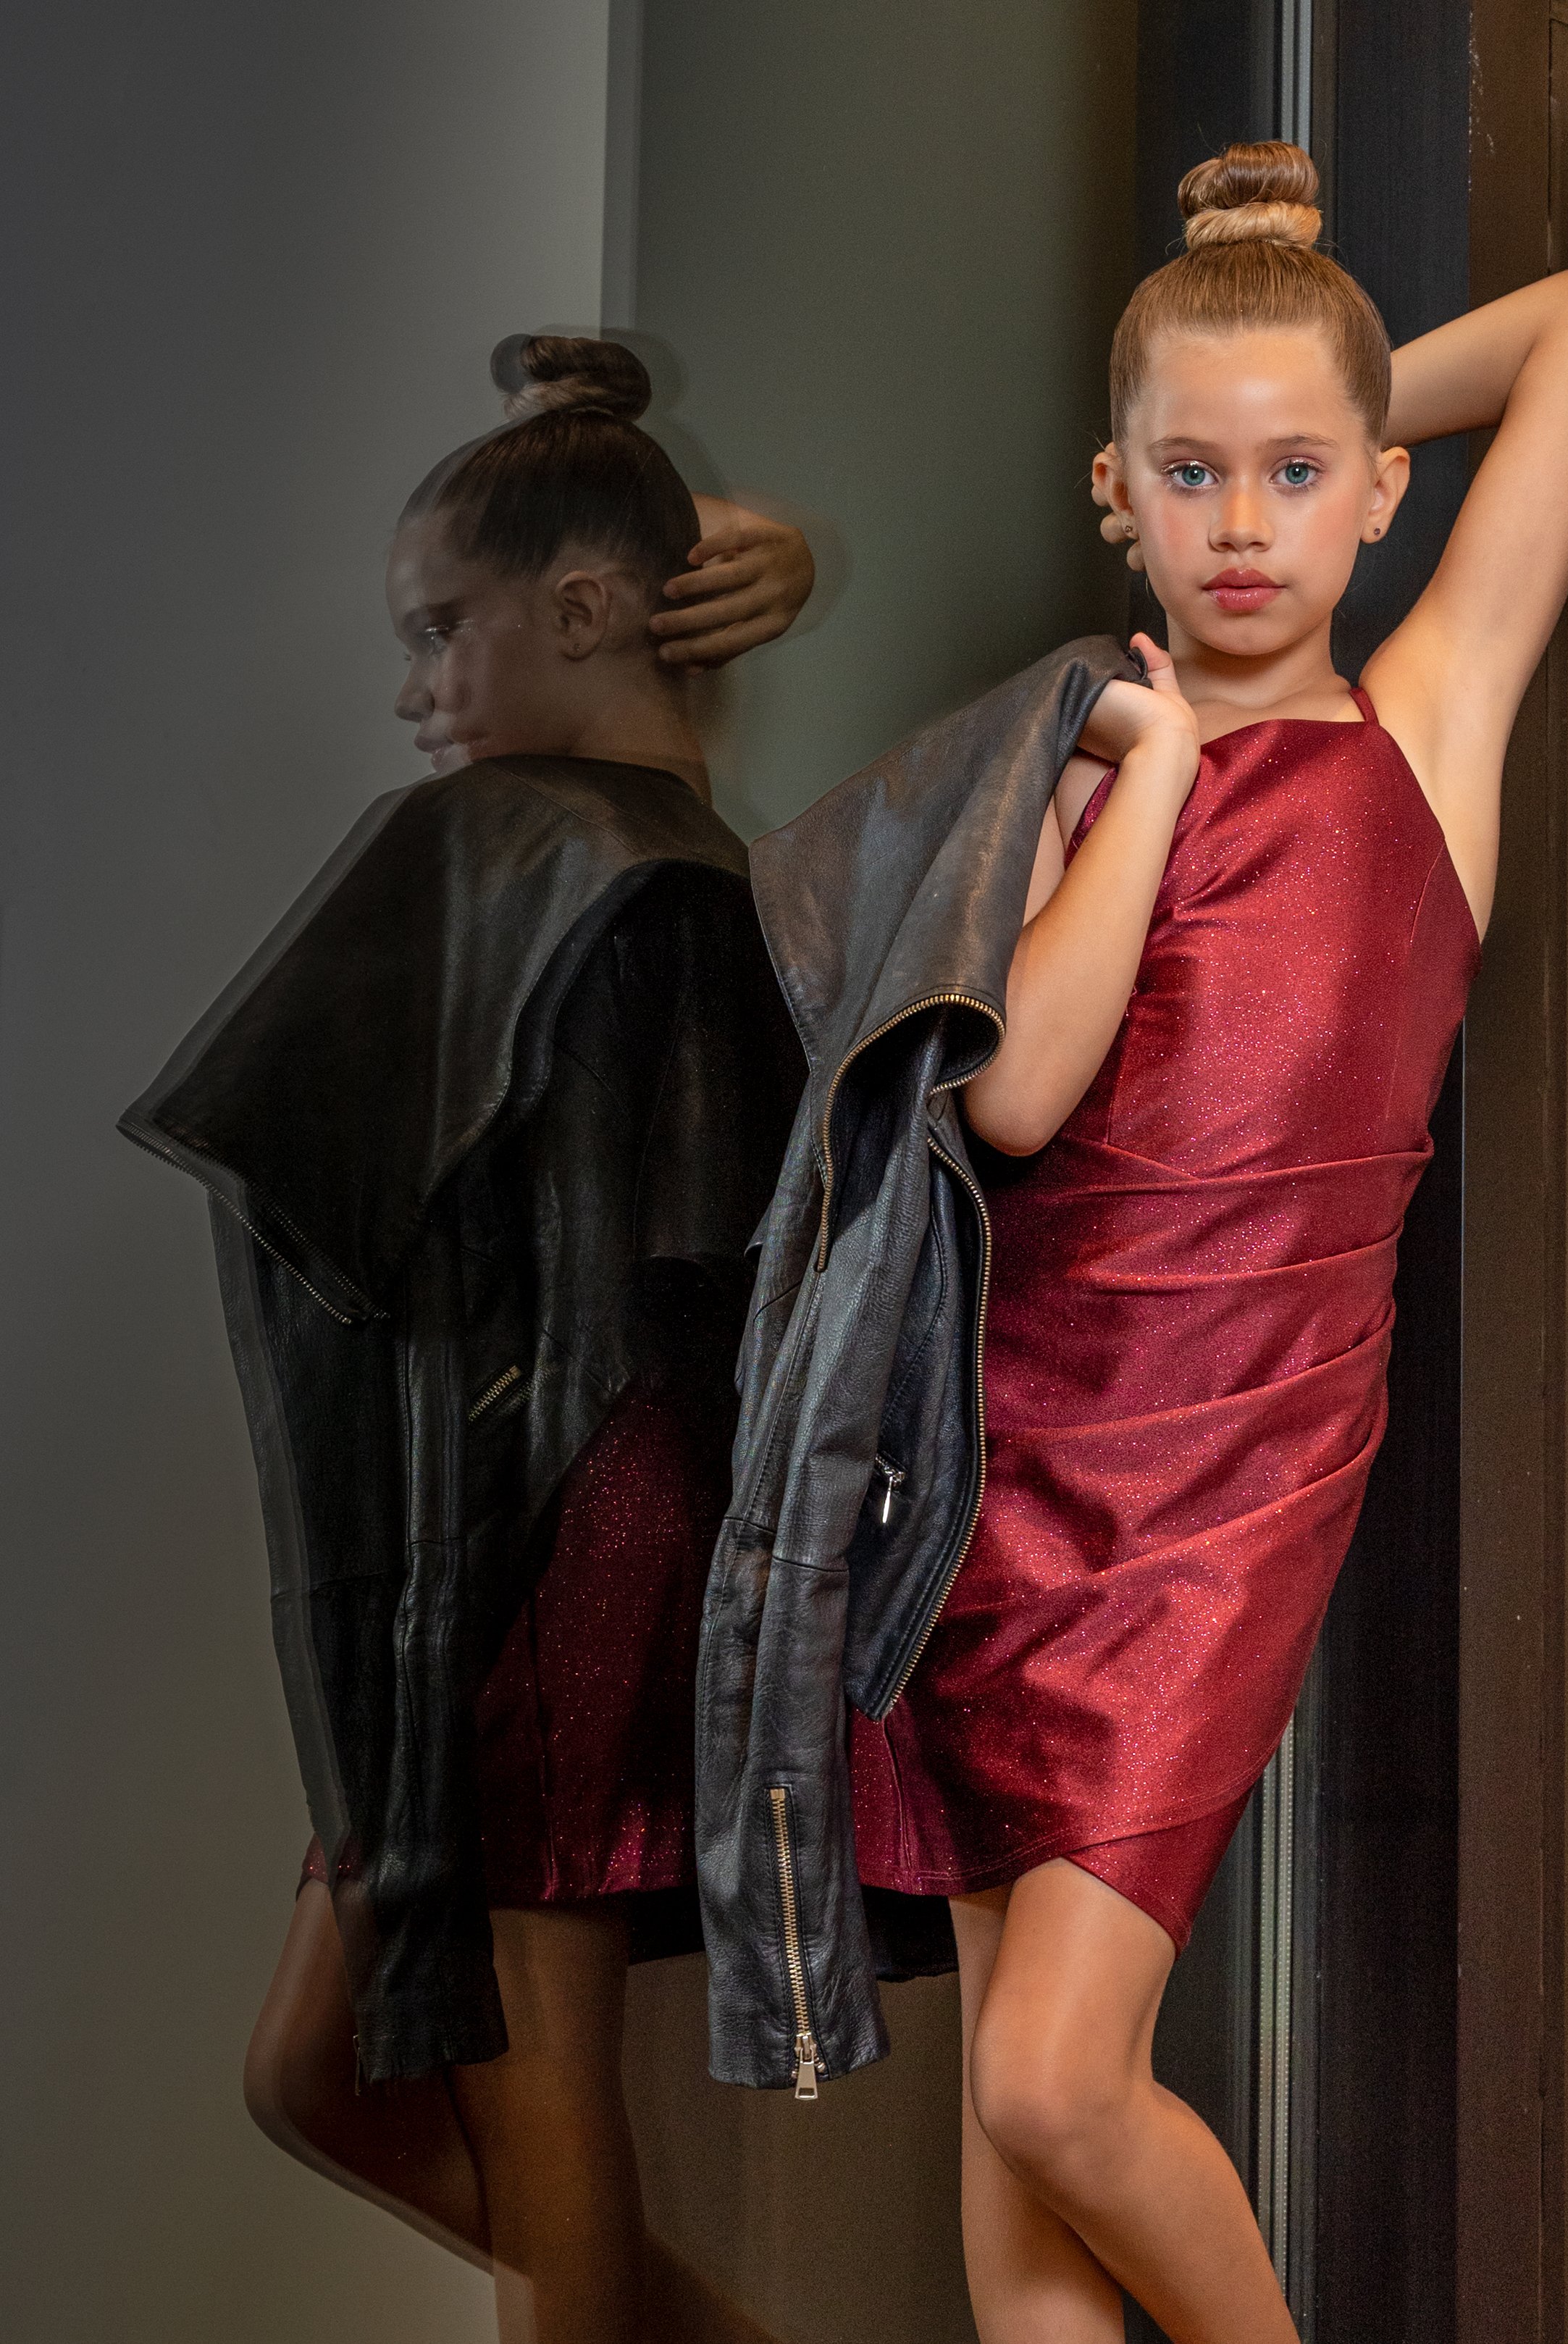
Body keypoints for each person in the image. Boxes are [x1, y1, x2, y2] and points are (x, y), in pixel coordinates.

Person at [697, 142, 1568, 2344]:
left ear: (1382, 488)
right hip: (999, 1476)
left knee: (1048, 2077)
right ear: (1118, 495)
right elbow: (1017, 1092)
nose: (1248, 522)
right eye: (1188, 472)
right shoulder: (1073, 768)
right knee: (1017, 2164)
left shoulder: (1425, 734)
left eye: (1303, 471)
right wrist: (1158, 779)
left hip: (1226, 1479)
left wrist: (1302, 321)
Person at [122, 335, 810, 2344]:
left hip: (560, 1544)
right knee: (320, 2075)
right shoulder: (671, 861)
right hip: (575, 1526)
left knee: (537, 2085)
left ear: (584, 608)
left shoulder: (536, 846)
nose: (416, 689)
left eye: (441, 632)